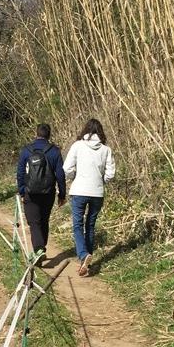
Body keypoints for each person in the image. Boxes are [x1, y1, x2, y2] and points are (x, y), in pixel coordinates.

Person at [63, 118, 115, 277]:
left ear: (85, 130)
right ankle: (86, 263)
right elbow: (110, 173)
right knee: (90, 226)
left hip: (79, 190)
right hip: (97, 192)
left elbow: (66, 168)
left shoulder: (78, 146)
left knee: (77, 225)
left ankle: (83, 255)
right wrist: (101, 180)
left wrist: (73, 176)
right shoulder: (106, 149)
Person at [16, 123, 66, 265]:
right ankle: (41, 248)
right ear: (49, 135)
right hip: (48, 192)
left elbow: (20, 172)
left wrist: (21, 190)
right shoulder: (54, 151)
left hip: (30, 193)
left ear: (36, 133)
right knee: (44, 220)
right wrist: (62, 194)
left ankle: (38, 249)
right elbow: (60, 174)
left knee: (34, 222)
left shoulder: (26, 151)